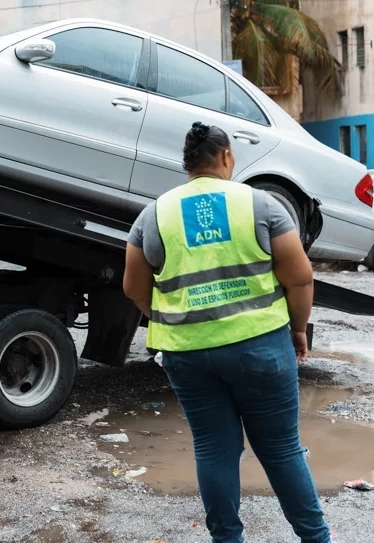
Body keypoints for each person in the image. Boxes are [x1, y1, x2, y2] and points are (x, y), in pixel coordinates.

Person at [123, 122, 330, 543]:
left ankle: (227, 539)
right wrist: (298, 332)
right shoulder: (261, 205)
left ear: (187, 164)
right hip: (262, 348)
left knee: (215, 449)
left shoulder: (155, 214)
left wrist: (170, 318)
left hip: (188, 355)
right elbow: (301, 278)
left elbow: (133, 288)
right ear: (227, 157)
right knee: (281, 450)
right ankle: (316, 539)